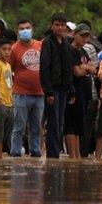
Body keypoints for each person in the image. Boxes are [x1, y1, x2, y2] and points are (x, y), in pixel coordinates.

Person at [40, 13, 74, 159]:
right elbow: (44, 68)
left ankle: (55, 154)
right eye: (57, 25)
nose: (60, 28)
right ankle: (52, 156)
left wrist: (71, 88)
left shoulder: (66, 43)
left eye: (62, 25)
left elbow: (69, 67)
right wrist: (48, 92)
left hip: (64, 89)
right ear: (52, 25)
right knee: (53, 123)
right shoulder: (47, 42)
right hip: (52, 89)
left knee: (60, 123)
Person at [9, 19, 43, 157]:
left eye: (27, 28)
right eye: (22, 29)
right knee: (19, 127)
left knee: (37, 128)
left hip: (39, 93)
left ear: (32, 29)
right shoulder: (14, 49)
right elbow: (8, 70)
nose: (25, 31)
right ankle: (15, 153)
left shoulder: (41, 45)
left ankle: (35, 152)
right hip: (20, 94)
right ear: (18, 32)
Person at [65, 24, 96, 159]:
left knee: (78, 126)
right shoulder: (70, 50)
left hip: (84, 93)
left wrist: (86, 68)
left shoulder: (83, 51)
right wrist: (86, 68)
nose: (84, 39)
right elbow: (77, 72)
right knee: (71, 125)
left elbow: (94, 69)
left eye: (86, 36)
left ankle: (76, 155)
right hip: (73, 92)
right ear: (74, 34)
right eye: (81, 35)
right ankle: (72, 156)